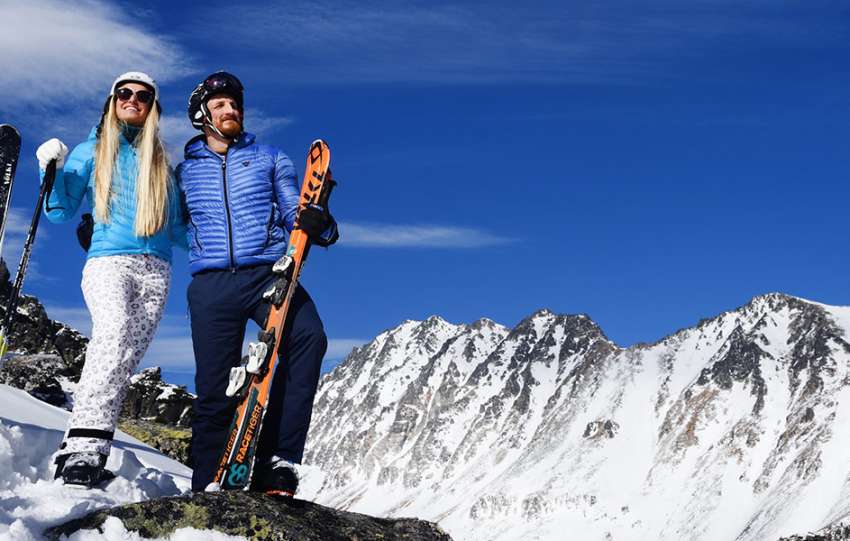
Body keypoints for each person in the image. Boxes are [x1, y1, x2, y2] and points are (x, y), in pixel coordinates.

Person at [177, 71, 338, 495]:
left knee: (308, 337)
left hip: (267, 274)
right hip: (210, 284)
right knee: (214, 389)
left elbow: (294, 211)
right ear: (202, 114)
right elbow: (162, 223)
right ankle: (207, 482)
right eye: (220, 105)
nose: (230, 110)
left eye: (235, 104)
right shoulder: (183, 172)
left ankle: (277, 461)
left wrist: (319, 223)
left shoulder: (269, 158)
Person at [35, 71, 186, 487]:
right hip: (108, 262)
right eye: (124, 93)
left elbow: (179, 231)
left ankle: (92, 447)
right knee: (113, 333)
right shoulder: (92, 151)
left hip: (157, 270)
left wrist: (234, 249)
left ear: (153, 108)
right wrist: (52, 169)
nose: (133, 99)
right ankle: (81, 447)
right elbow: (59, 210)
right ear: (112, 102)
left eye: (143, 95)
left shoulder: (162, 163)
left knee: (123, 359)